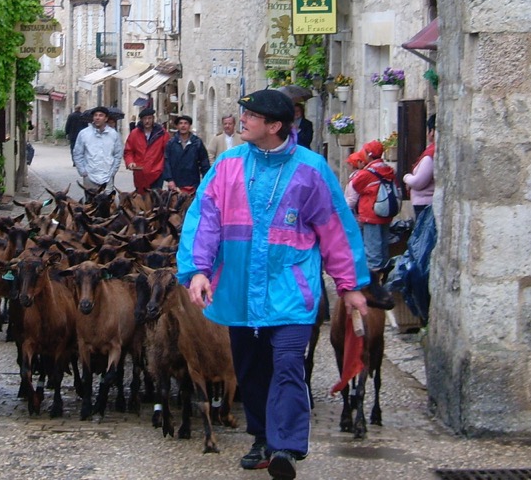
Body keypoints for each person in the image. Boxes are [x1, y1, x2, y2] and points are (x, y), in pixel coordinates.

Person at [177, 89, 369, 479]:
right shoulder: (228, 165)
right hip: (238, 289)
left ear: (275, 125)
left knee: (286, 365)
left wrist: (350, 285)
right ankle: (262, 437)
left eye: (250, 115)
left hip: (291, 289)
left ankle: (287, 446)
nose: (241, 120)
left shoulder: (311, 169)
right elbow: (205, 219)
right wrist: (197, 270)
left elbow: (335, 229)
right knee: (250, 369)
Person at [350, 139, 398, 310]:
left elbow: (355, 185)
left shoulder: (367, 173)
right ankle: (384, 283)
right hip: (385, 215)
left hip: (371, 215)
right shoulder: (387, 169)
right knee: (383, 248)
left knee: (372, 252)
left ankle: (373, 289)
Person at [72, 105, 124, 194]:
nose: (97, 118)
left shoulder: (113, 134)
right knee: (90, 204)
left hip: (107, 176)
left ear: (106, 118)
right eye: (95, 115)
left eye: (100, 115)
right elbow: (77, 153)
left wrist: (113, 172)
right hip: (90, 175)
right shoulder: (84, 134)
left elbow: (118, 155)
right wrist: (83, 171)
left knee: (107, 204)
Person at [123, 106, 168, 193]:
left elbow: (167, 152)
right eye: (145, 119)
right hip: (140, 173)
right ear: (141, 120)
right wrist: (130, 162)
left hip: (156, 172)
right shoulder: (134, 134)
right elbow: (128, 151)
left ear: (153, 118)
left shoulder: (162, 133)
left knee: (155, 200)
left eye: (149, 118)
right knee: (141, 200)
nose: (147, 121)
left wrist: (163, 167)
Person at [162, 114, 210, 194]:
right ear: (177, 126)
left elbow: (204, 162)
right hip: (176, 184)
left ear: (189, 126)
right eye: (180, 123)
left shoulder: (197, 143)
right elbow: (166, 162)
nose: (183, 126)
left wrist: (206, 180)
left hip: (193, 183)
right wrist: (170, 180)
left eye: (185, 123)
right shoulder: (171, 143)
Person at [404, 114, 436, 218]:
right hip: (424, 203)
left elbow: (419, 182)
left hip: (425, 204)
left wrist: (406, 178)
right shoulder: (431, 151)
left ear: (432, 132)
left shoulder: (430, 156)